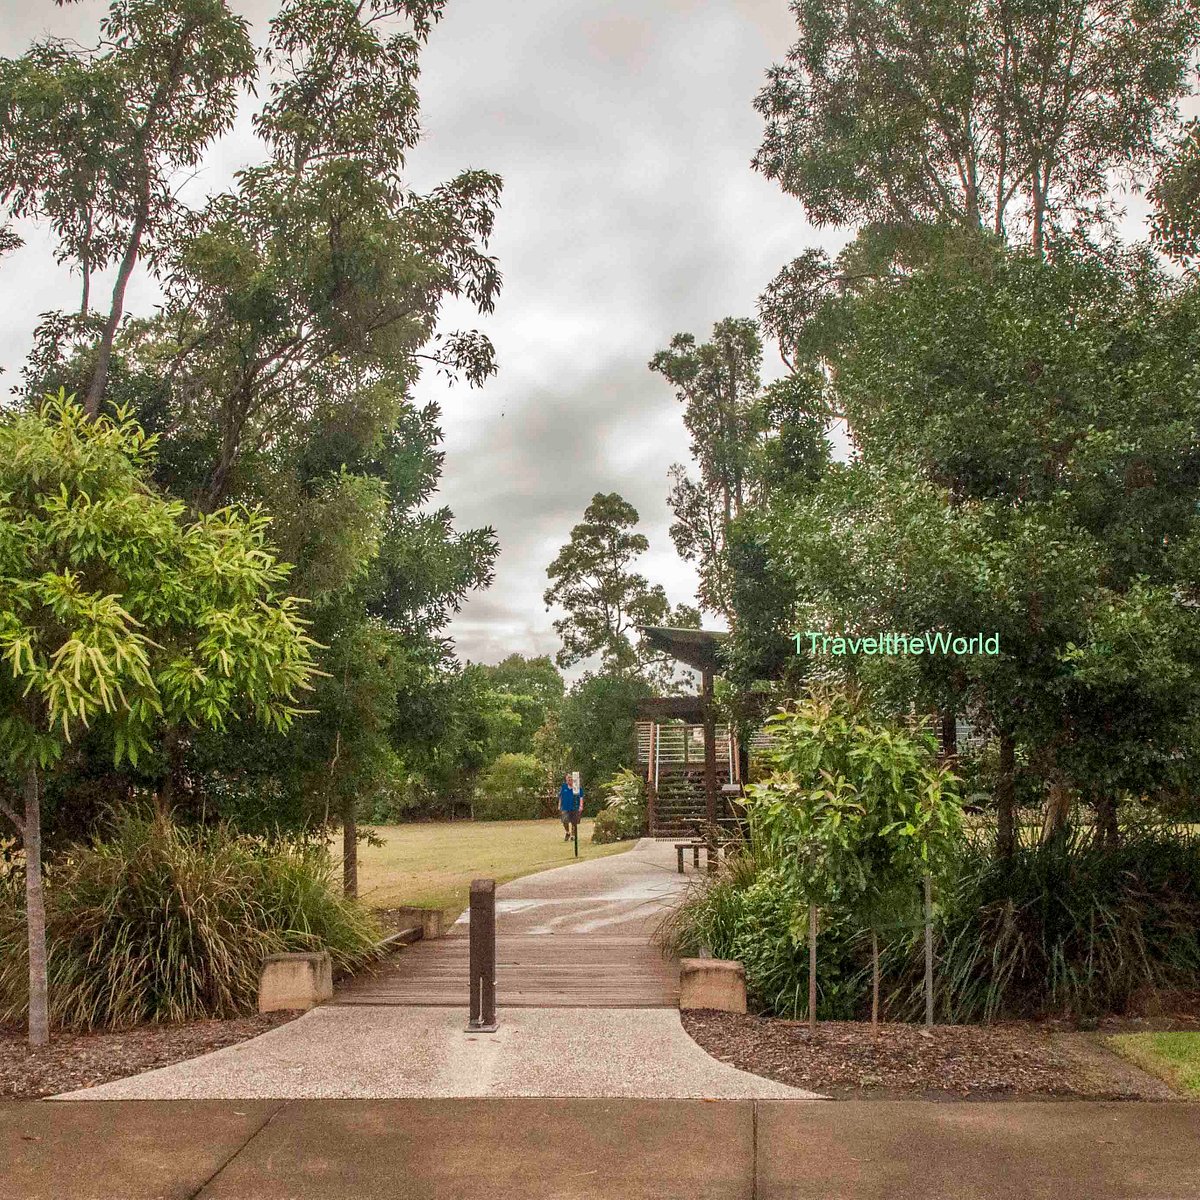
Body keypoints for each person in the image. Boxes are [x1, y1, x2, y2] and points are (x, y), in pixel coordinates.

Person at [559, 772, 582, 840]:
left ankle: (573, 835)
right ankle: (567, 832)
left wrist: (580, 805)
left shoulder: (576, 787)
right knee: (565, 820)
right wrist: (559, 805)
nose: (569, 780)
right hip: (565, 807)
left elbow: (581, 796)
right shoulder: (564, 787)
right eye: (568, 779)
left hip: (574, 806)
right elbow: (560, 796)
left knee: (574, 821)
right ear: (566, 780)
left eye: (570, 778)